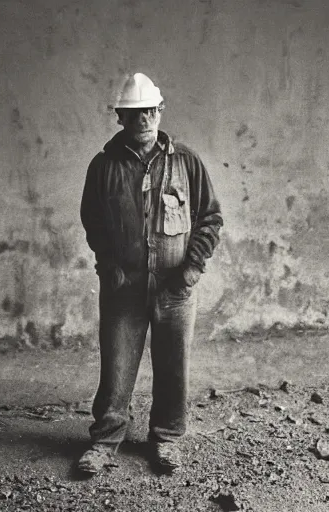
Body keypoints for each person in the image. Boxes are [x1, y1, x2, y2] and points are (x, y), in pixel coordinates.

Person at [78, 72, 223, 473]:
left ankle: (167, 439)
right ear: (121, 118)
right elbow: (92, 219)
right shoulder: (103, 166)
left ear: (161, 110)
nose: (144, 118)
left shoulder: (186, 162)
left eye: (150, 110)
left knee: (173, 366)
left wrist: (193, 267)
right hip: (123, 287)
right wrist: (107, 266)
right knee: (117, 368)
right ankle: (105, 443)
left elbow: (210, 217)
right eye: (135, 112)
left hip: (175, 288)